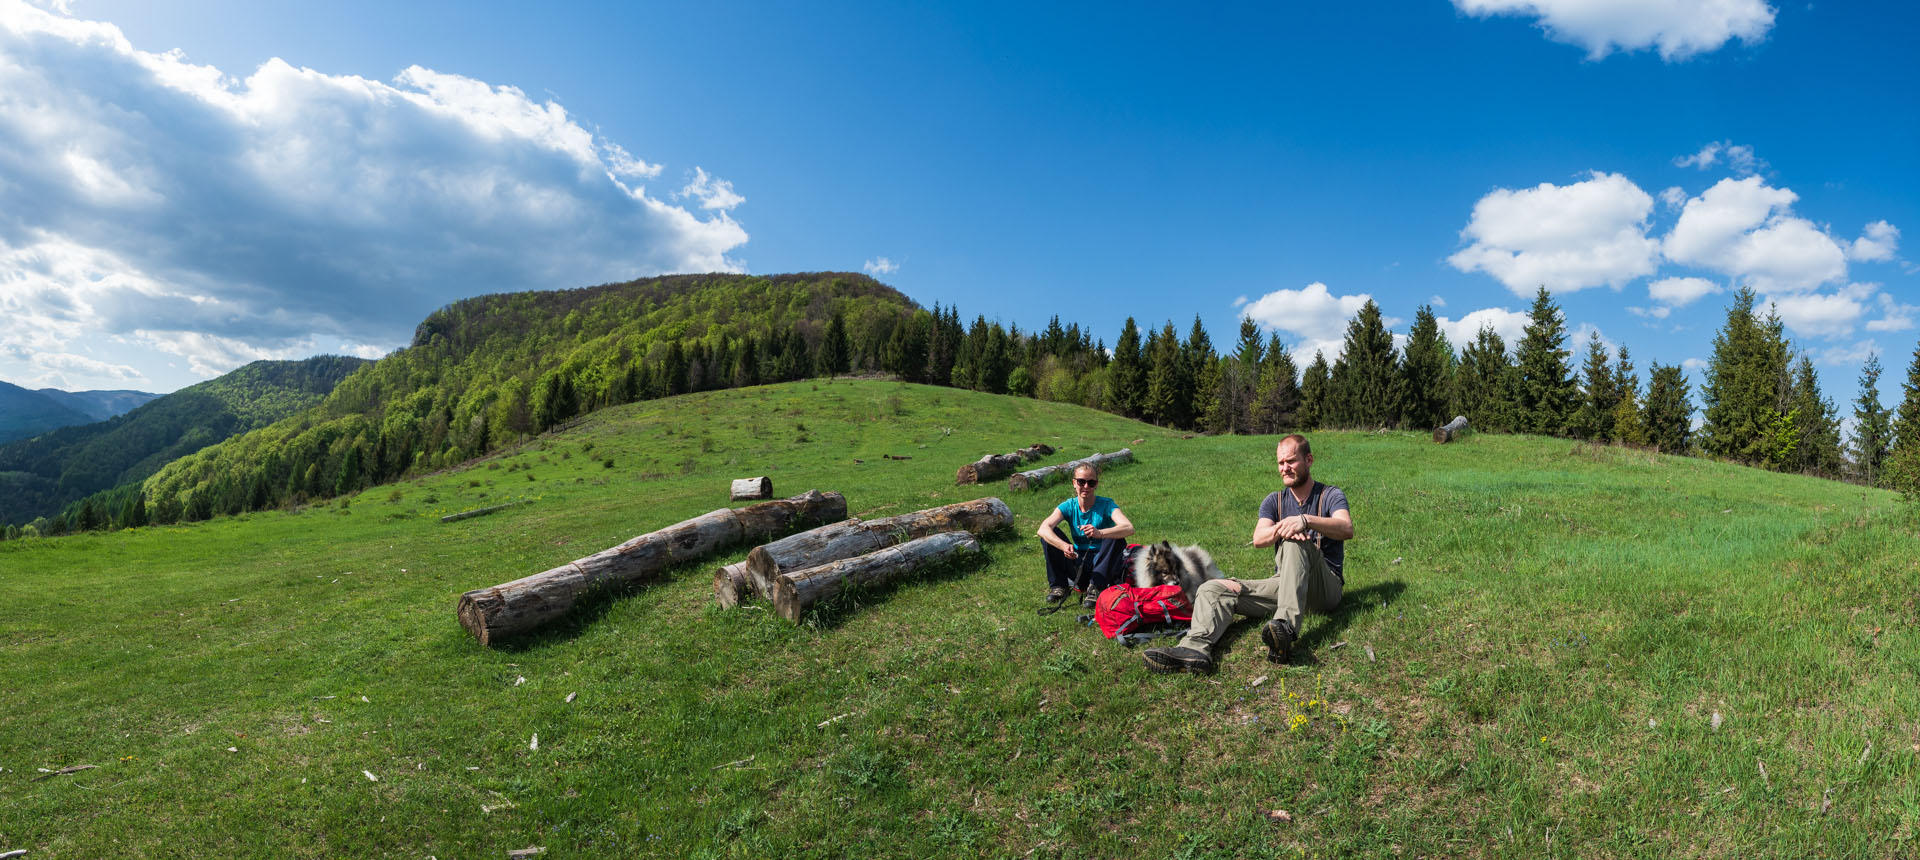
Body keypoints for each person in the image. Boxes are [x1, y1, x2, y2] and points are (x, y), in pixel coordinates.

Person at [1143, 434, 1353, 674]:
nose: (1285, 468)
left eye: (1291, 461)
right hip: (1284, 584)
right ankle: (1194, 649)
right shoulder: (1274, 501)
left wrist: (1305, 521)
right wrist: (1282, 528)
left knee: (1295, 542)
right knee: (1213, 588)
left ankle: (1284, 629)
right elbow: (1259, 539)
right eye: (1281, 463)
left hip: (1324, 589)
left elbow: (1346, 528)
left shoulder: (1330, 495)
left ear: (1309, 460)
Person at [1036, 463, 1134, 608]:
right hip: (1078, 561)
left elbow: (1128, 527)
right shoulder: (1069, 506)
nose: (1086, 486)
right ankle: (1059, 586)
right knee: (1051, 535)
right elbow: (1043, 529)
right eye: (1081, 482)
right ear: (1074, 483)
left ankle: (1095, 587)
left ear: (1096, 485)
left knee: (1116, 537)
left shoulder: (1107, 504)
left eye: (1091, 482)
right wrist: (1063, 546)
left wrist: (1100, 533)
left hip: (1103, 562)